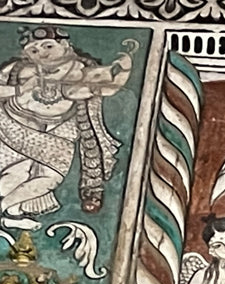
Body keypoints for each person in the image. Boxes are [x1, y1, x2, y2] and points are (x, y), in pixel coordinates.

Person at [0, 27, 134, 226]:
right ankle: (9, 211)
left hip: (59, 128)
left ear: (65, 44)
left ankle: (10, 212)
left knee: (49, 178)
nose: (42, 53)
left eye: (47, 46)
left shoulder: (81, 71)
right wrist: (20, 89)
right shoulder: (20, 70)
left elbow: (106, 85)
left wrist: (122, 69)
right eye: (34, 51)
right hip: (14, 125)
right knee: (15, 174)